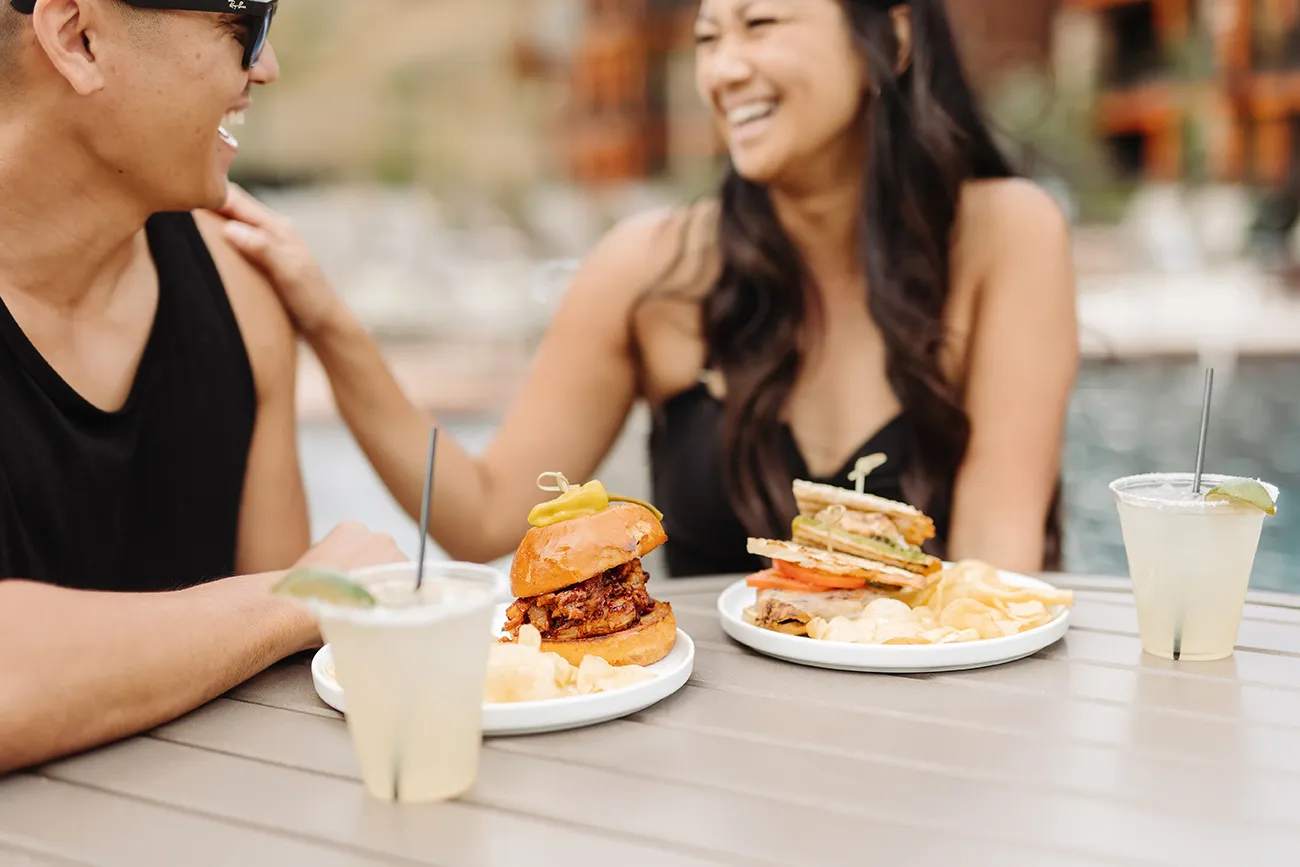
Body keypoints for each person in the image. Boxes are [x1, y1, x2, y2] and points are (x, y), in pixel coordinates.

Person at [219, 0, 1078, 578]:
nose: (724, 69)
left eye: (760, 23)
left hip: (947, 748)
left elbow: (997, 571)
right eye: (708, 39)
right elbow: (482, 516)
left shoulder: (1008, 236)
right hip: (711, 791)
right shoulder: (650, 270)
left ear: (888, 39)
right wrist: (328, 321)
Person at [0, 0, 403, 773]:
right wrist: (299, 593)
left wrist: (287, 608)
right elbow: (284, 610)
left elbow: (286, 681)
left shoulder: (242, 291)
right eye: (244, 24)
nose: (267, 67)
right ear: (78, 39)